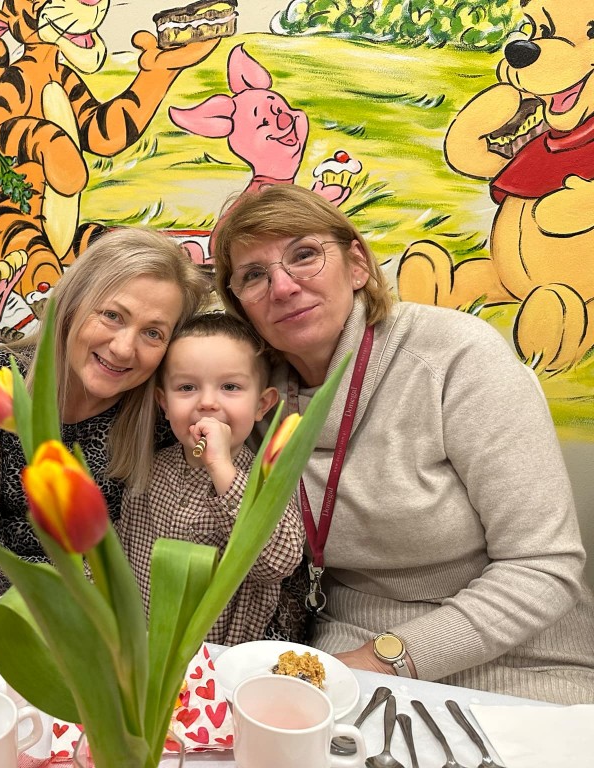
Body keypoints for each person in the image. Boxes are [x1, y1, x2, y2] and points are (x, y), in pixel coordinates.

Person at [212, 182, 594, 704]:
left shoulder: (455, 356)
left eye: (304, 255)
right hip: (345, 644)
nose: (282, 287)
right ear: (240, 305)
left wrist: (381, 659)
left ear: (357, 265)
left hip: (524, 660)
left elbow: (544, 565)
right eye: (253, 275)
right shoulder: (251, 397)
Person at [0, 227, 208, 599]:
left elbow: (145, 555)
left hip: (98, 611)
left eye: (153, 333)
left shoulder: (162, 416)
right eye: (112, 315)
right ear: (73, 305)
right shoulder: (0, 378)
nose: (124, 348)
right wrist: (4, 614)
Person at [118, 312, 303, 645]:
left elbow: (278, 563)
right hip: (145, 645)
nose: (206, 403)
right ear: (164, 403)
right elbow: (123, 548)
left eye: (230, 387)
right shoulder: (149, 469)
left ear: (262, 405)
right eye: (186, 387)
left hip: (224, 655)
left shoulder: (266, 480)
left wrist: (221, 467)